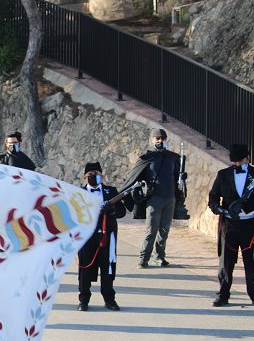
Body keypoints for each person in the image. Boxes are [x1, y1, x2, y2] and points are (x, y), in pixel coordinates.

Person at [208, 143, 254, 307]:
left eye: (241, 160)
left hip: (250, 225)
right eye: (236, 161)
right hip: (229, 224)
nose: (238, 164)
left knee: (251, 262)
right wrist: (218, 209)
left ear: (248, 158)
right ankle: (223, 295)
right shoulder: (223, 175)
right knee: (226, 261)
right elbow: (213, 197)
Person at [121, 128, 183, 269]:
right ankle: (143, 259)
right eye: (158, 139)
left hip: (170, 198)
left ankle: (159, 257)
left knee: (165, 230)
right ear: (153, 140)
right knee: (151, 230)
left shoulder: (173, 157)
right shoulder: (146, 157)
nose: (160, 141)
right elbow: (133, 177)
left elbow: (178, 175)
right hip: (154, 199)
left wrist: (182, 179)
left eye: (163, 138)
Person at [77, 162, 128, 312]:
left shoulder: (111, 191)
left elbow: (122, 212)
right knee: (85, 270)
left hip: (107, 236)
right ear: (85, 178)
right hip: (87, 238)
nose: (94, 177)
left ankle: (109, 299)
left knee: (107, 269)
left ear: (102, 176)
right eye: (90, 175)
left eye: (97, 174)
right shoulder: (79, 193)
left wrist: (111, 209)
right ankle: (84, 300)